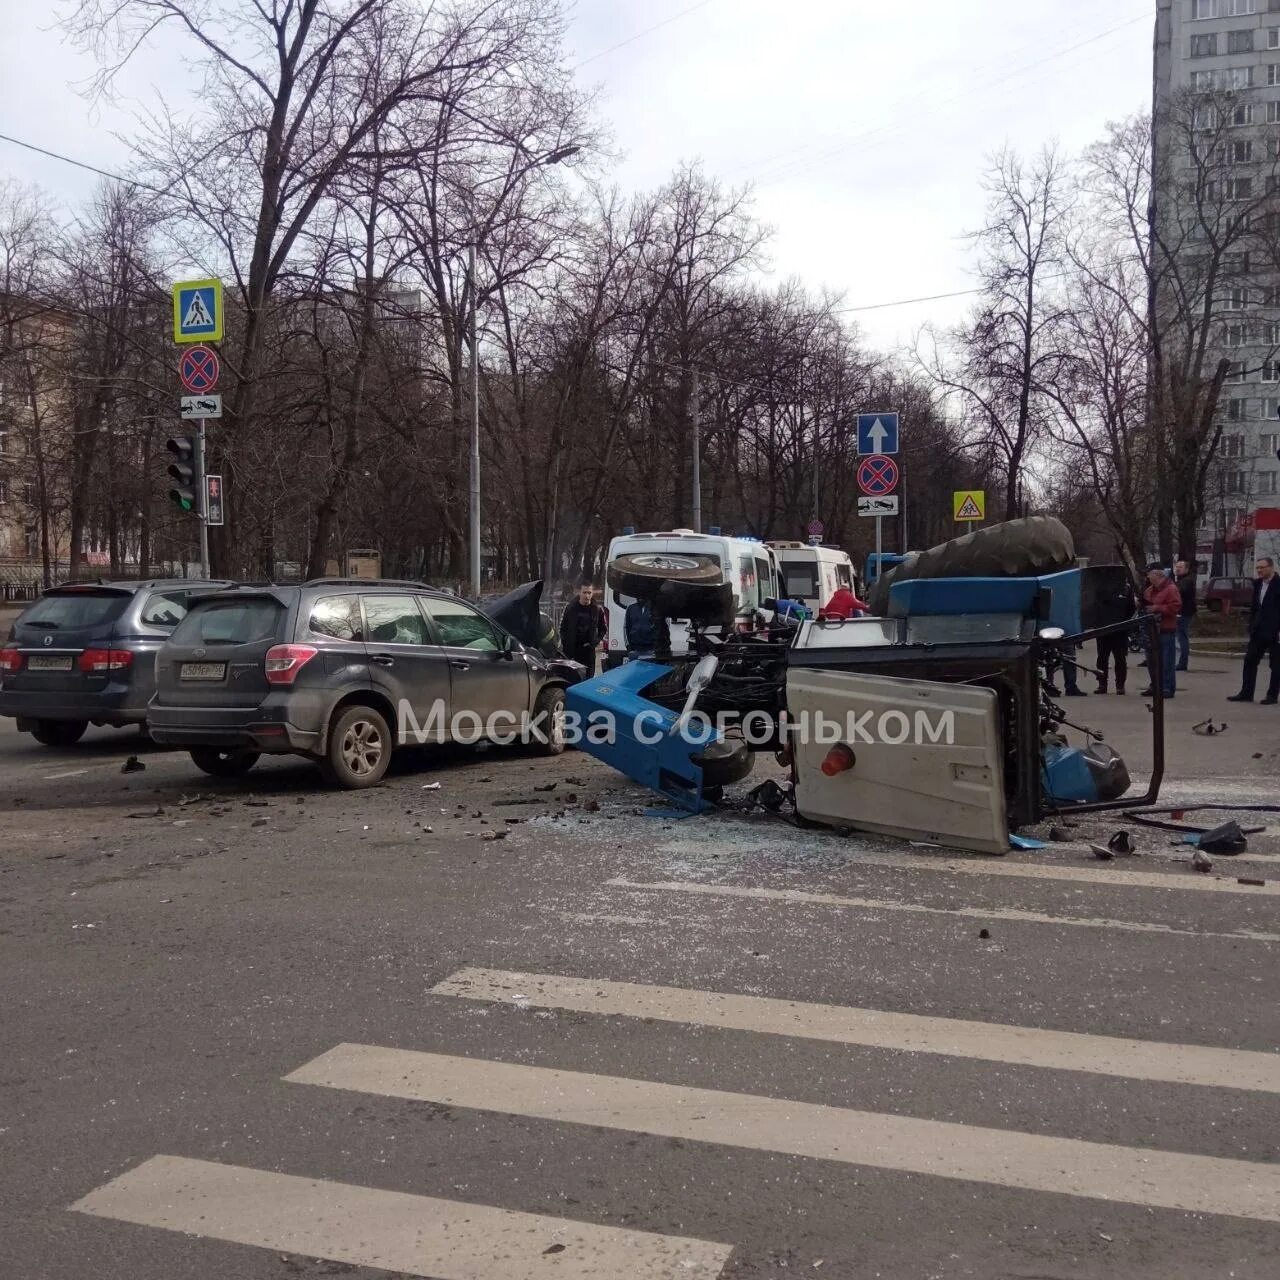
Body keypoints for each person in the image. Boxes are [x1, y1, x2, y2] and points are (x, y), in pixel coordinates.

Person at [1227, 556, 1280, 705]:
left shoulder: (1278, 584)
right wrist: (1251, 625)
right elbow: (1255, 607)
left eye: (1262, 567)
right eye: (1257, 568)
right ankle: (1246, 692)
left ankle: (1272, 695)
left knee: (1275, 665)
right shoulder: (1257, 584)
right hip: (1258, 630)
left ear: (1271, 567)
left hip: (1275, 631)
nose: (1259, 570)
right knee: (1250, 660)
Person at [1139, 563, 1181, 699]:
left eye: (1149, 574)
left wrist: (1157, 608)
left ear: (1157, 575)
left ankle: (1167, 687)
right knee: (1152, 661)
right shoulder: (1150, 590)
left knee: (1166, 661)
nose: (1147, 577)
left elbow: (1175, 607)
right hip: (1151, 631)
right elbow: (1145, 603)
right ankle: (1155, 685)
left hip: (1165, 630)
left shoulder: (1171, 589)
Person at [1094, 573, 1137, 695]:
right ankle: (1102, 684)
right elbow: (1094, 607)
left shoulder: (1126, 589)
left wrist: (1125, 622)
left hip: (1120, 630)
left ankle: (1120, 685)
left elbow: (1131, 608)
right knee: (1102, 658)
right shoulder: (1100, 590)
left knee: (1120, 658)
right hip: (1103, 629)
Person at [558, 580, 605, 674]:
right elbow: (563, 628)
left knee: (588, 679)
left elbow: (603, 629)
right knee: (573, 678)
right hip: (573, 651)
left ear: (592, 593)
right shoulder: (570, 608)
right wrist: (566, 644)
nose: (587, 596)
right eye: (584, 592)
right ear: (579, 592)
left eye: (589, 593)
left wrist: (595, 642)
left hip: (589, 652)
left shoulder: (597, 609)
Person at [1175, 559, 1197, 672]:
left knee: (1182, 637)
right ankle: (1181, 662)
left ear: (1186, 569)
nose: (1177, 569)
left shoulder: (1186, 581)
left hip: (1183, 613)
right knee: (1180, 637)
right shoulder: (1181, 580)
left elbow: (1179, 592)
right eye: (1177, 566)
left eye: (1180, 567)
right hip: (1182, 612)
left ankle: (1183, 663)